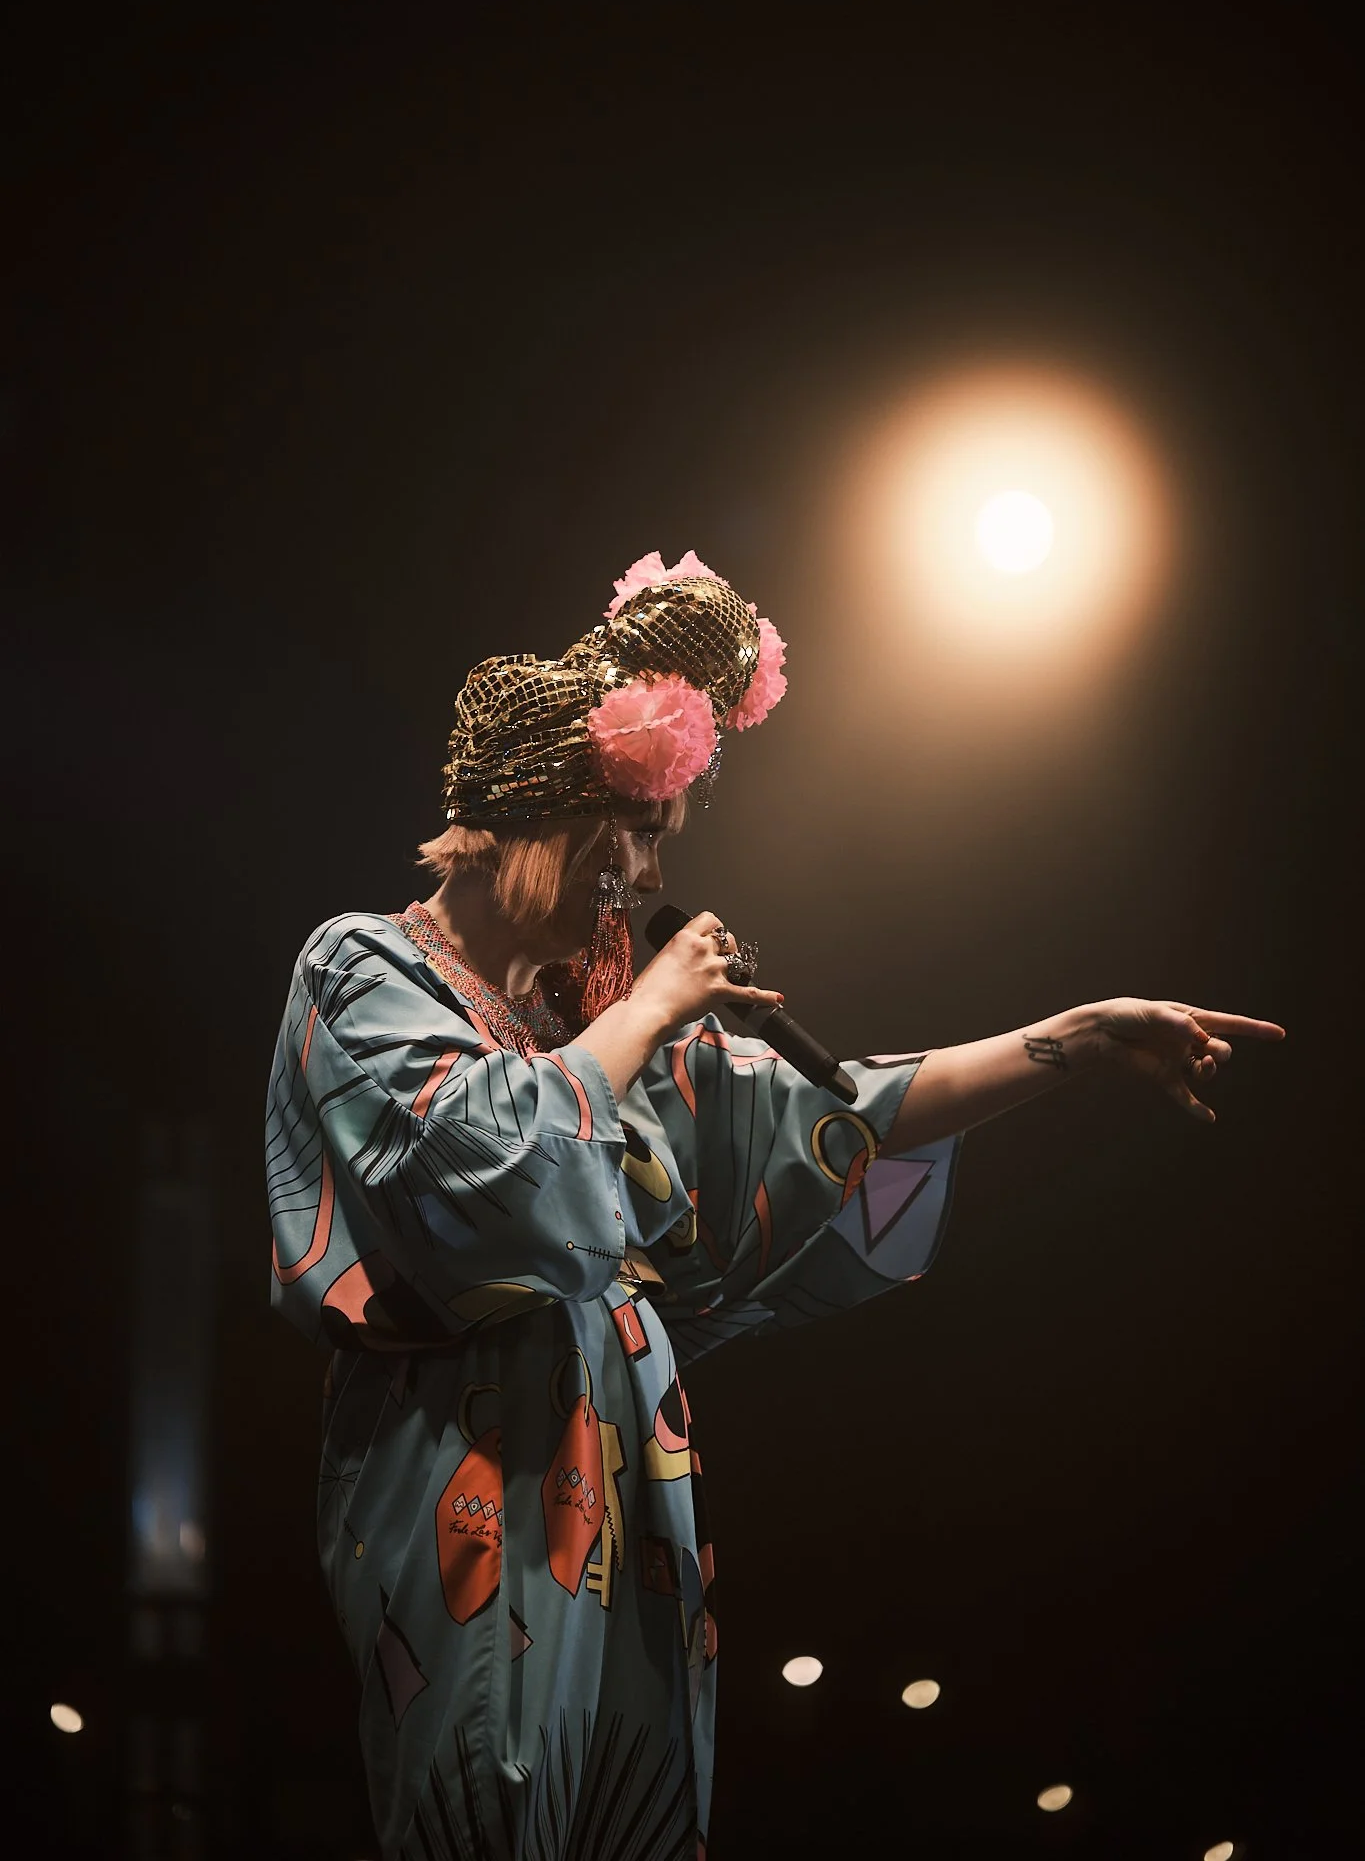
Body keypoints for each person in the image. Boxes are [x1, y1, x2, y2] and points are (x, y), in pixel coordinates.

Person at [265, 549, 1283, 1861]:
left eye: (654, 841)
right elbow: (479, 1171)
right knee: (493, 1801)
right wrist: (645, 1012)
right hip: (475, 1480)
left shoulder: (600, 1032)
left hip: (625, 1490)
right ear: (535, 816)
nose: (641, 876)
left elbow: (835, 1115)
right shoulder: (363, 967)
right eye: (629, 833)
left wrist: (1073, 1040)